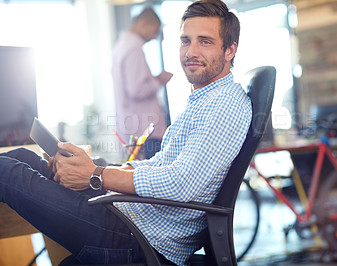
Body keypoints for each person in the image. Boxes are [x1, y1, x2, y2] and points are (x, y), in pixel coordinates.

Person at [0, 0, 251, 265]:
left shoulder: (225, 104)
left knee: (6, 171)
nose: (191, 51)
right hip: (129, 214)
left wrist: (96, 175)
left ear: (229, 50)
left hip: (137, 238)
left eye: (205, 42)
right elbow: (161, 165)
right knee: (22, 159)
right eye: (185, 40)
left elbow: (179, 184)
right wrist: (104, 170)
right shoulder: (204, 100)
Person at [112, 7, 173, 158]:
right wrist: (158, 80)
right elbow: (136, 90)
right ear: (144, 23)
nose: (154, 37)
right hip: (145, 130)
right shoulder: (133, 49)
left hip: (133, 126)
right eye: (154, 31)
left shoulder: (121, 46)